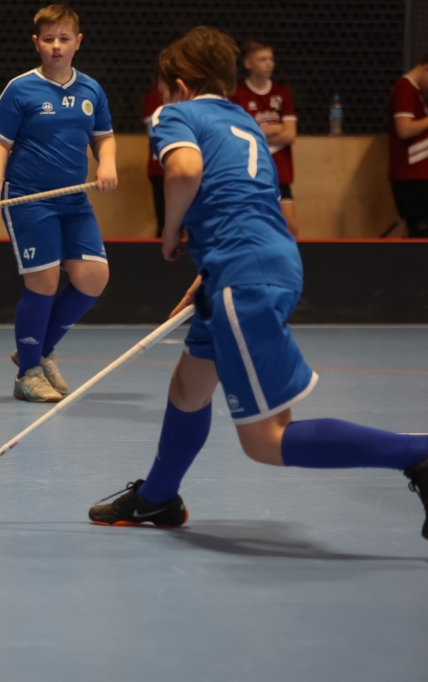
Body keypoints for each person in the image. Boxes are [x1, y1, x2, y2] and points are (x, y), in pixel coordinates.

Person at [88, 27, 428, 539]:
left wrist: (172, 232)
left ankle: (417, 451)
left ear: (179, 85)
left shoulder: (175, 114)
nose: (161, 101)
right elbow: (244, 199)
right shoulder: (243, 121)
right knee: (189, 387)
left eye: (163, 92)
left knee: (266, 440)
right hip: (261, 262)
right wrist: (212, 271)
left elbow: (184, 171)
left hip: (242, 274)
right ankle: (157, 498)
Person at [0, 4, 117, 403]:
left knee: (93, 277)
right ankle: (28, 374)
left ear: (78, 42)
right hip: (28, 198)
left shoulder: (91, 90)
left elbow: (103, 136)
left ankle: (37, 350)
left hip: (74, 200)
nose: (57, 46)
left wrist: (107, 163)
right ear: (36, 43)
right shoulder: (20, 89)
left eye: (64, 38)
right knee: (44, 281)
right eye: (48, 39)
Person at [232, 40, 299, 237]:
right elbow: (240, 136)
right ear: (248, 63)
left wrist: (258, 132)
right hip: (250, 170)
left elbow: (290, 134)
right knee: (252, 226)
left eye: (271, 59)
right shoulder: (237, 95)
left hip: (279, 170)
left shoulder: (282, 93)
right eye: (262, 59)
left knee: (290, 226)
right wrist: (274, 128)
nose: (269, 64)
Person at [388, 53, 428, 238]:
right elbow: (404, 129)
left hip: (418, 176)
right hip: (412, 177)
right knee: (420, 234)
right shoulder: (405, 88)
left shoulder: (415, 92)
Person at [142, 84, 166, 237]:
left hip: (191, 168)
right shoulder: (155, 95)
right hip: (160, 168)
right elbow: (152, 132)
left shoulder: (192, 94)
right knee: (164, 221)